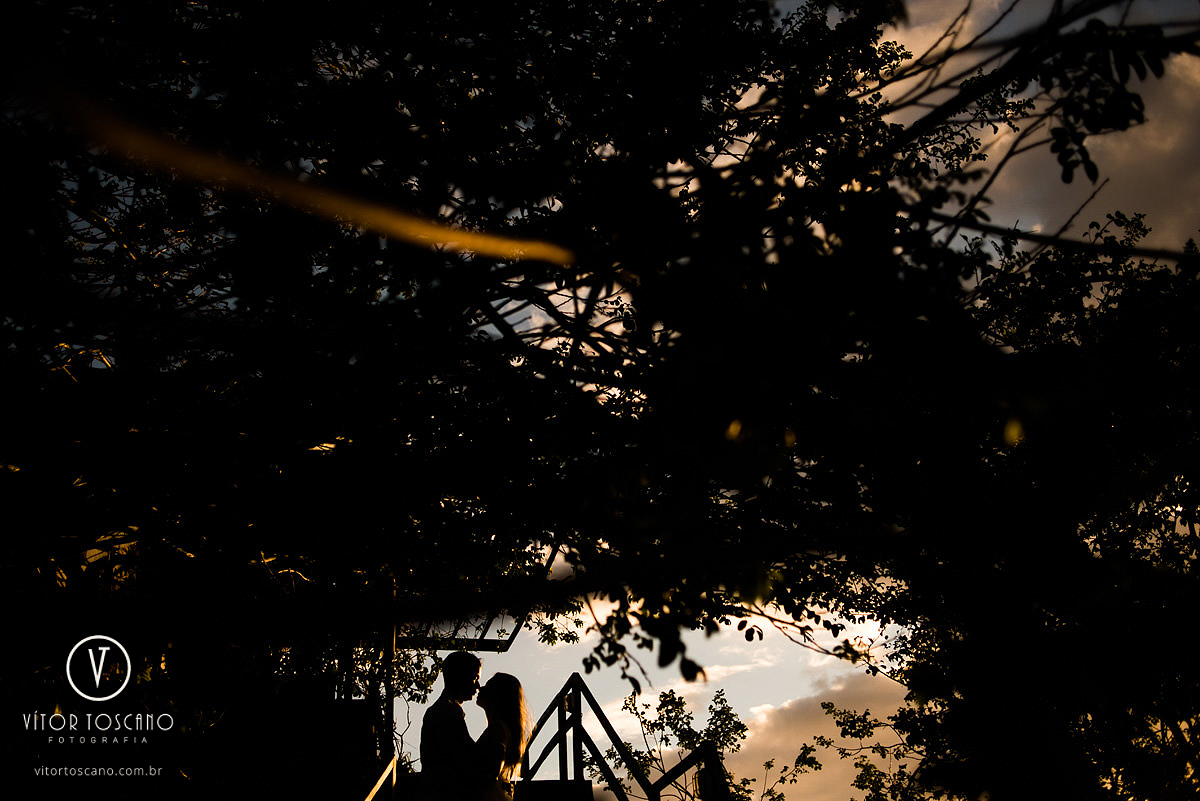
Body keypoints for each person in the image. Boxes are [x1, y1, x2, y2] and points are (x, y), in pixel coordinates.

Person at [420, 651, 482, 797]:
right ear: (461, 676)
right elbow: (466, 758)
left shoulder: (443, 709)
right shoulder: (448, 711)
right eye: (475, 678)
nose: (478, 685)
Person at [472, 672, 529, 801]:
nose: (481, 688)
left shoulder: (497, 731)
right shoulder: (502, 730)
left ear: (499, 696)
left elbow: (489, 774)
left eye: (489, 686)